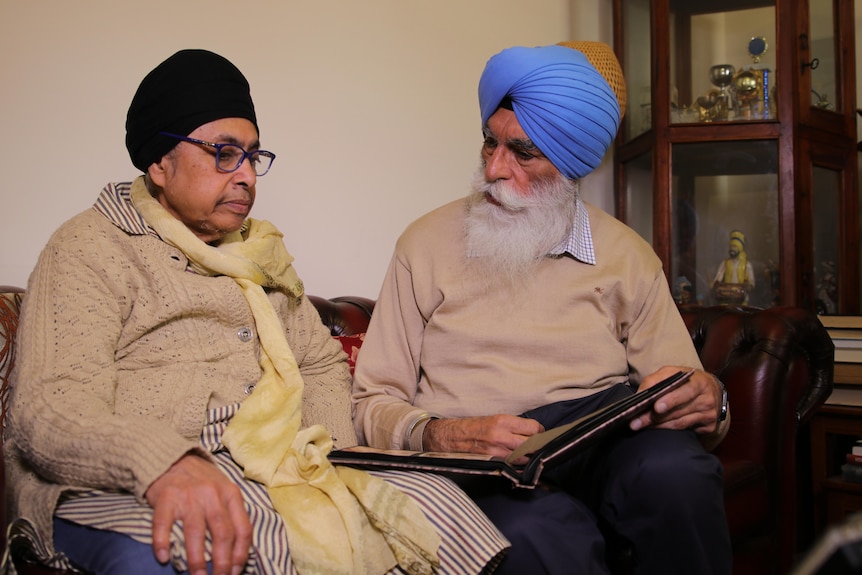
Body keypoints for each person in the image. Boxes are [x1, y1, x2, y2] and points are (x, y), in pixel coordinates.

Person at [3, 49, 509, 575]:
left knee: (433, 507)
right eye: (224, 153)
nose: (246, 175)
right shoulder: (91, 246)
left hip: (265, 465)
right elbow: (49, 407)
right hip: (121, 477)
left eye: (252, 155)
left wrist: (333, 462)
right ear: (160, 161)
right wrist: (164, 462)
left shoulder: (259, 253)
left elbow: (317, 363)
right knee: (199, 544)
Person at [352, 42, 732, 575]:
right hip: (487, 463)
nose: (494, 169)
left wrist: (710, 400)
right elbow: (371, 400)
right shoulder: (424, 244)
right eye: (490, 143)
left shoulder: (628, 256)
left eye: (522, 152)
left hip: (599, 437)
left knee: (677, 475)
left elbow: (684, 391)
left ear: (571, 165)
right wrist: (441, 433)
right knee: (539, 533)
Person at [711, 229, 755, 304]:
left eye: (735, 246)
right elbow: (718, 278)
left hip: (741, 300)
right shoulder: (725, 263)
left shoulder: (747, 264)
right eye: (731, 246)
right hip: (727, 298)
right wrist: (714, 284)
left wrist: (747, 287)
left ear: (740, 248)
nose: (732, 249)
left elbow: (751, 282)